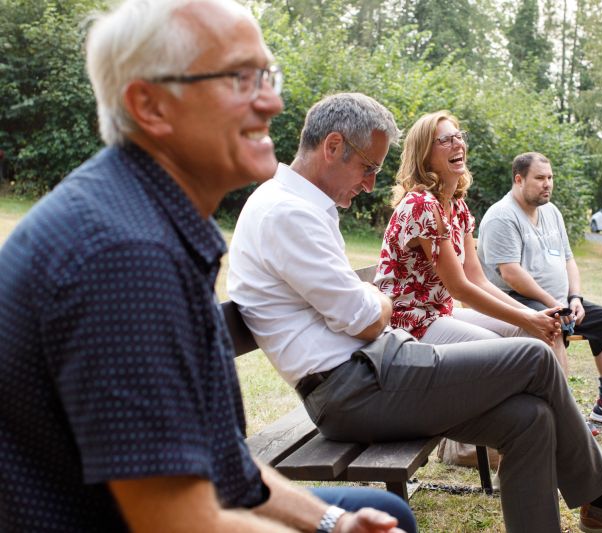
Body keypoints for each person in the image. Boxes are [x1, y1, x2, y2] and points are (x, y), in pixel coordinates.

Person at [0, 1, 413, 532]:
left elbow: (225, 463)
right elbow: (177, 522)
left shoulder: (145, 217)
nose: (273, 102)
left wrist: (332, 521)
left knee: (386, 513)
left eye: (268, 75)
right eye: (241, 78)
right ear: (150, 106)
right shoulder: (124, 256)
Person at [228, 92, 602, 532]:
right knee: (533, 358)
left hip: (378, 369)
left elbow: (367, 303)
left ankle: (600, 505)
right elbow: (367, 317)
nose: (371, 183)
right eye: (368, 167)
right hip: (356, 387)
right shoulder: (287, 213)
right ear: (333, 146)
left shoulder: (303, 207)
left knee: (531, 419)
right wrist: (379, 301)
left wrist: (374, 299)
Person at [477, 152, 602, 428]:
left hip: (561, 300)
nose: (548, 184)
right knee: (552, 326)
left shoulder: (551, 212)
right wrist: (554, 304)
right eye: (540, 178)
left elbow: (568, 258)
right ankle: (564, 415)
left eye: (550, 178)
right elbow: (510, 274)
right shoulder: (502, 216)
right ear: (519, 179)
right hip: (515, 301)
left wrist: (575, 297)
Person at [374, 111, 560, 346]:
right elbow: (459, 288)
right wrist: (527, 317)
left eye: (458, 136)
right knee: (508, 347)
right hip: (409, 322)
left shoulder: (457, 206)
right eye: (445, 140)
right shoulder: (421, 205)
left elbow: (477, 279)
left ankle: (556, 384)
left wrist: (533, 316)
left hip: (440, 314)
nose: (457, 144)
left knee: (530, 333)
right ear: (424, 155)